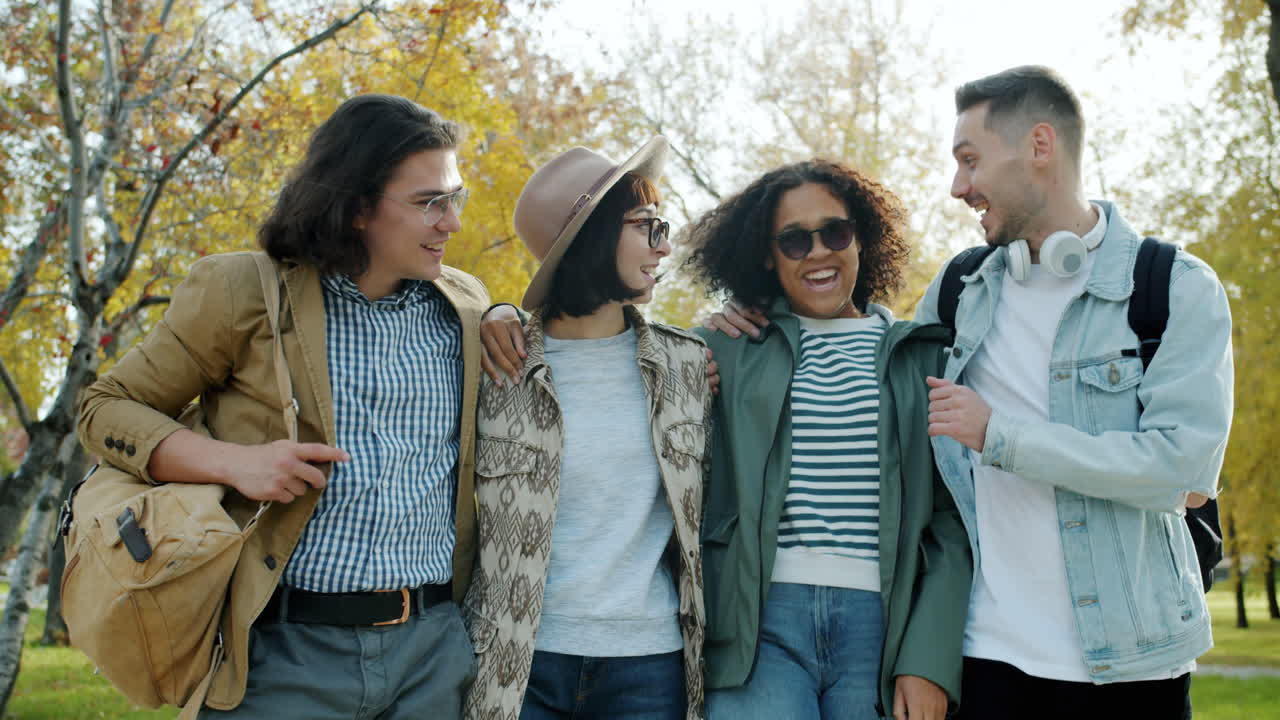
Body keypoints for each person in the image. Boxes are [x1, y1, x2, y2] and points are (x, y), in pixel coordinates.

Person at [705, 66, 1232, 720]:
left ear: (1040, 147)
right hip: (989, 661)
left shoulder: (1172, 287)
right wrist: (735, 317)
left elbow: (1185, 474)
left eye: (970, 161)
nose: (958, 187)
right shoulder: (962, 291)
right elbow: (841, 333)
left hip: (1130, 659)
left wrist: (1000, 436)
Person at [77, 95, 487, 719]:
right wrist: (231, 463)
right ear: (356, 207)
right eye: (429, 202)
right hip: (283, 656)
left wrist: (509, 316)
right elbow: (104, 409)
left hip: (433, 655)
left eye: (454, 196)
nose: (451, 222)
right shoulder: (242, 290)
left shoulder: (467, 307)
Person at [673, 159, 971, 720]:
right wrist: (500, 318)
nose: (817, 252)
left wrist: (930, 660)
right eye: (793, 240)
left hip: (882, 632)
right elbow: (624, 359)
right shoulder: (729, 347)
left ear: (861, 237)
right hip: (759, 631)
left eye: (834, 232)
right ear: (766, 254)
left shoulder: (924, 359)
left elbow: (953, 520)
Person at [462, 138, 712, 720]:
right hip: (515, 663)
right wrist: (493, 312)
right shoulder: (496, 361)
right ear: (593, 236)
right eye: (647, 226)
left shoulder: (688, 366)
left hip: (648, 665)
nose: (664, 246)